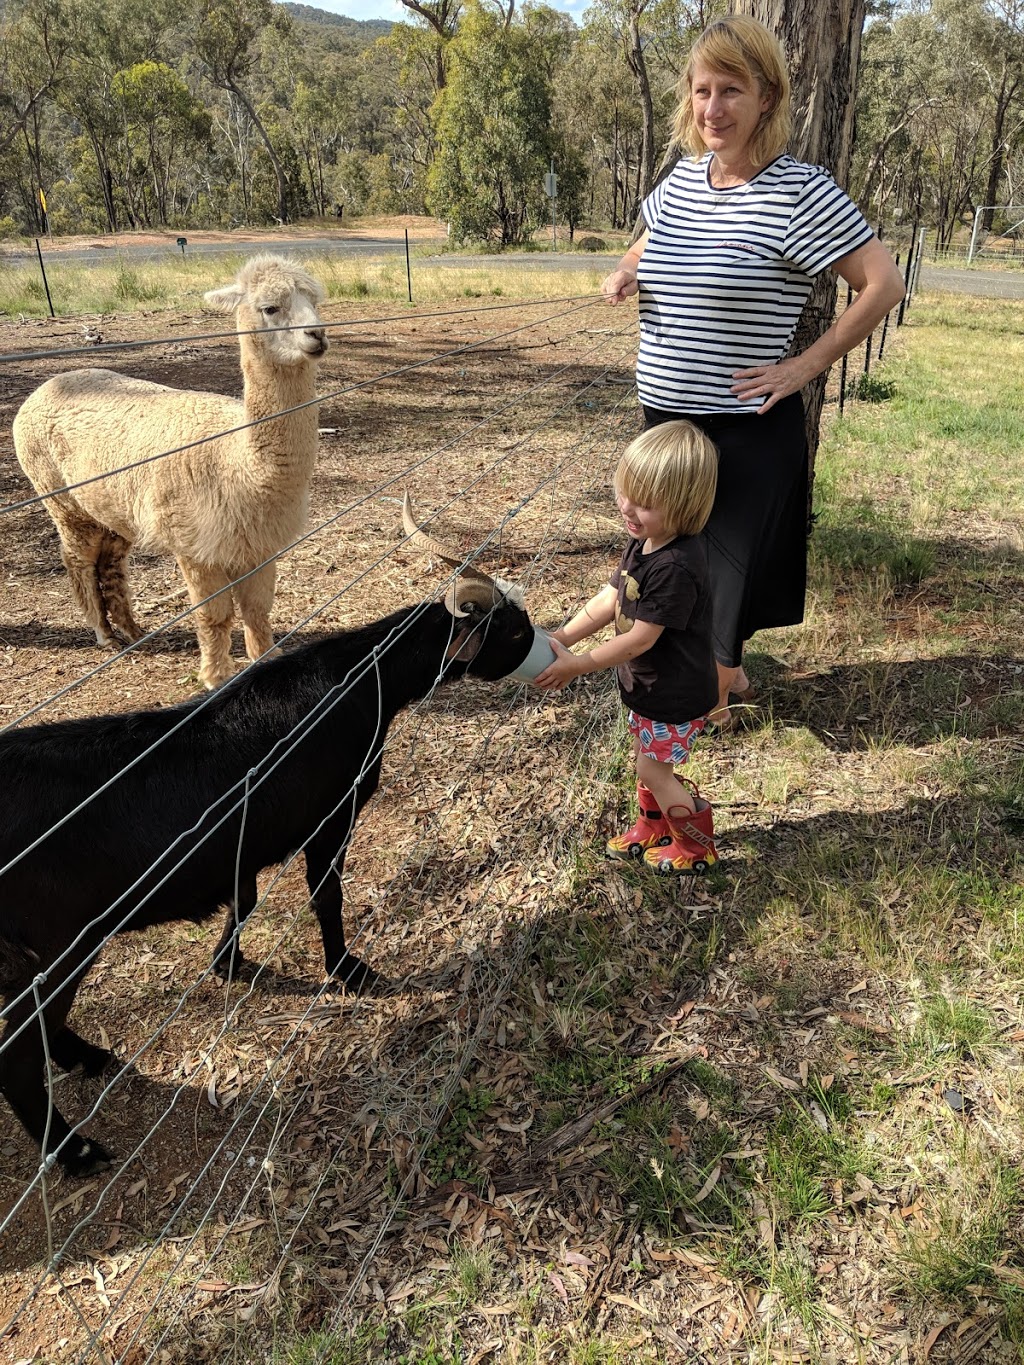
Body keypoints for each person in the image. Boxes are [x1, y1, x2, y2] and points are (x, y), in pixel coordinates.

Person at [602, 14, 906, 728]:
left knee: (722, 585)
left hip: (741, 430)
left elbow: (883, 283)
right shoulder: (681, 179)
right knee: (672, 571)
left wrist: (807, 363)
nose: (714, 109)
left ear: (767, 97)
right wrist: (623, 268)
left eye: (732, 90)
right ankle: (721, 682)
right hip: (666, 428)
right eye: (702, 90)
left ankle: (700, 706)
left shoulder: (801, 190)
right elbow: (653, 237)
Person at [534, 421, 721, 874]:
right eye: (625, 494)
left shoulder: (677, 566)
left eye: (645, 503)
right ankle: (655, 826)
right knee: (646, 762)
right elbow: (610, 599)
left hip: (673, 695)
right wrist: (561, 638)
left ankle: (696, 847)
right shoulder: (645, 541)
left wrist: (578, 665)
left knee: (654, 770)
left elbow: (640, 638)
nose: (628, 509)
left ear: (683, 506)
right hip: (650, 689)